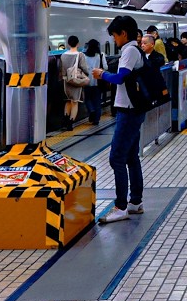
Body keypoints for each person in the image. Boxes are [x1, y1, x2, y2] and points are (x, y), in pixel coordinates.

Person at [93, 15, 147, 223]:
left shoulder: (130, 51)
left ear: (123, 33)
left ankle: (121, 206)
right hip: (133, 109)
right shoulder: (135, 50)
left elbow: (120, 78)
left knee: (116, 158)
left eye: (115, 36)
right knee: (131, 157)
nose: (114, 40)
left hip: (129, 111)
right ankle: (135, 202)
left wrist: (102, 74)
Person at [59, 35, 88, 131]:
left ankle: (65, 120)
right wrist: (85, 76)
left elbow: (62, 70)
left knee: (67, 101)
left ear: (68, 44)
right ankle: (70, 124)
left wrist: (64, 78)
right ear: (78, 43)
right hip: (76, 81)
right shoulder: (80, 55)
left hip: (66, 82)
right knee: (75, 102)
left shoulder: (63, 55)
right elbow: (84, 68)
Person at [82, 38, 105, 127]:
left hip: (86, 80)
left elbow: (82, 67)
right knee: (97, 101)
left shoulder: (84, 56)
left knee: (87, 99)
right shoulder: (99, 55)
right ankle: (96, 119)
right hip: (97, 80)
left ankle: (91, 110)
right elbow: (105, 67)